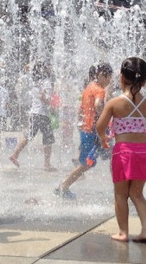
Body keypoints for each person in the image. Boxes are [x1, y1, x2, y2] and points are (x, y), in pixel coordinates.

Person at [96, 57, 146, 243]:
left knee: (120, 194)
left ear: (121, 78)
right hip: (143, 151)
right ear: (144, 80)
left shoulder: (115, 103)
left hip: (123, 152)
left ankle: (123, 232)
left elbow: (100, 126)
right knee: (137, 194)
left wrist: (104, 138)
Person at [55, 62, 113, 199]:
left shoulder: (89, 87)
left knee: (110, 155)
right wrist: (106, 115)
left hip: (87, 130)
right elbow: (99, 105)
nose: (110, 81)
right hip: (96, 132)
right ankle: (63, 187)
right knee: (88, 164)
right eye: (109, 77)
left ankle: (63, 187)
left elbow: (81, 109)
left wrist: (80, 124)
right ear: (101, 75)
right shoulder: (99, 89)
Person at [9, 61, 56, 171]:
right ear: (43, 70)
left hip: (34, 113)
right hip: (42, 114)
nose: (49, 68)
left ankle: (15, 154)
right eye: (47, 66)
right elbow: (46, 100)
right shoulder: (46, 83)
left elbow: (27, 67)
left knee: (28, 135)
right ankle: (47, 164)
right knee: (48, 139)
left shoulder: (34, 82)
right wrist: (47, 99)